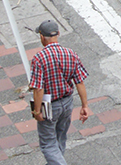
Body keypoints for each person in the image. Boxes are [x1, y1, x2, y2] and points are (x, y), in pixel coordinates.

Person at [30, 20, 89, 165]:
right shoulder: (70, 53)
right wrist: (84, 106)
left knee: (48, 144)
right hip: (67, 102)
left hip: (48, 104)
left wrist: (37, 112)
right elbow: (79, 82)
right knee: (60, 137)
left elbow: (38, 89)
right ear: (58, 34)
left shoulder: (39, 58)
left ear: (42, 37)